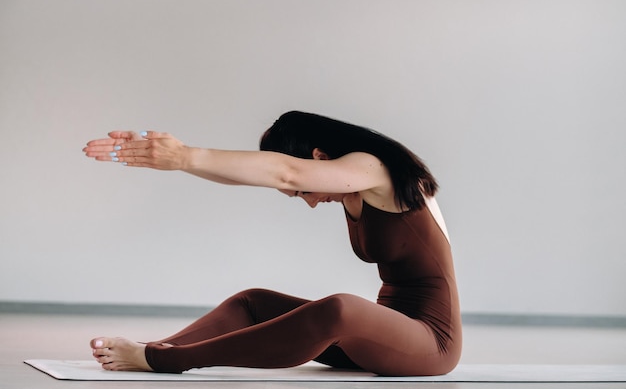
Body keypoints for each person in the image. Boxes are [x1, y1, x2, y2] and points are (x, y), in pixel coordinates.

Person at [82, 110, 462, 376]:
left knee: (341, 307)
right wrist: (182, 163)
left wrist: (184, 155)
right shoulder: (356, 188)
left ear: (320, 157)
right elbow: (273, 175)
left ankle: (169, 360)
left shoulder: (374, 169)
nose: (312, 202)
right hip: (380, 340)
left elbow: (287, 169)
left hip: (430, 345)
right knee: (253, 302)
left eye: (303, 192)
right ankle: (161, 348)